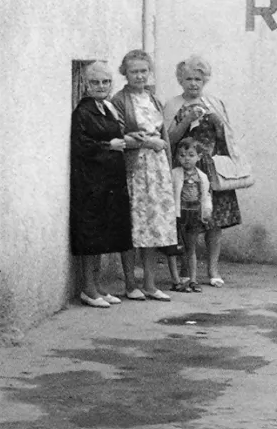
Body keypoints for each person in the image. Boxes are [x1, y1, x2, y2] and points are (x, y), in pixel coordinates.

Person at [163, 54, 244, 288]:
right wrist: (186, 119)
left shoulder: (214, 102)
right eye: (188, 79)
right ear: (180, 80)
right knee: (188, 221)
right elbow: (169, 139)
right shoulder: (173, 104)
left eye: (198, 79)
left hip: (212, 170)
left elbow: (226, 139)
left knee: (214, 222)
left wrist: (219, 123)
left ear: (205, 80)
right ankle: (187, 270)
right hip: (186, 169)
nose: (193, 83)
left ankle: (213, 270)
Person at [111, 49, 176, 302]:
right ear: (125, 73)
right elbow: (116, 137)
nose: (140, 76)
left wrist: (164, 159)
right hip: (134, 169)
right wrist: (146, 143)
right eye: (134, 71)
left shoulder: (153, 98)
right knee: (132, 227)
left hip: (157, 169)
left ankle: (150, 283)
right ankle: (130, 284)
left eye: (144, 71)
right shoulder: (119, 100)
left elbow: (162, 134)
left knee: (153, 225)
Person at [69, 61, 132, 308]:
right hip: (90, 182)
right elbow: (81, 145)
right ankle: (88, 289)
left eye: (106, 82)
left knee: (103, 235)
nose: (101, 86)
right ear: (86, 85)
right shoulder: (83, 112)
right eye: (95, 82)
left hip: (108, 180)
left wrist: (125, 140)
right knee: (91, 237)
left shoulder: (106, 107)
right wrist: (109, 146)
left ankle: (98, 286)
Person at [171, 137, 212, 291]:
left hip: (194, 214)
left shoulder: (202, 176)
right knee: (175, 247)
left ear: (198, 157)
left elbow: (206, 195)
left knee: (191, 247)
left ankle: (193, 279)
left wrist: (207, 210)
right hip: (179, 214)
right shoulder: (174, 174)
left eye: (191, 155)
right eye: (182, 155)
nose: (186, 159)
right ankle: (176, 279)